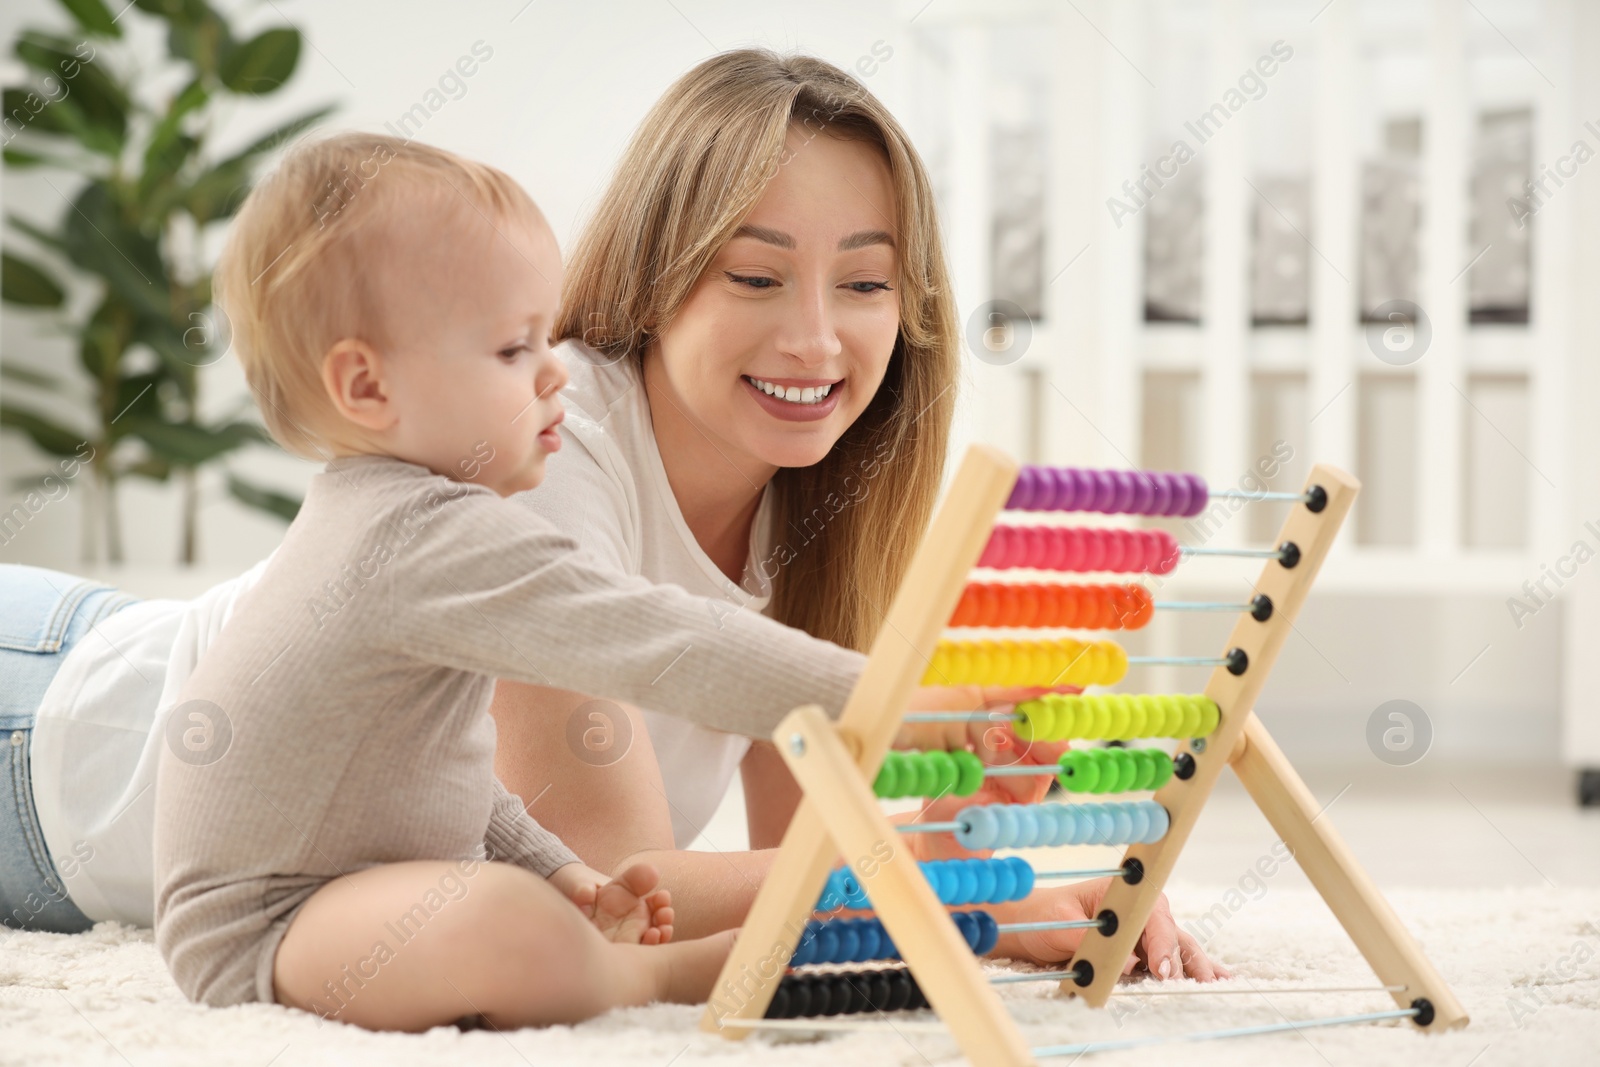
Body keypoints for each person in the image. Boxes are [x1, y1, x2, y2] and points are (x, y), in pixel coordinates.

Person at [490, 49, 1226, 981]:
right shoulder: (545, 456)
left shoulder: (803, 504)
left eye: (865, 284)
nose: (815, 340)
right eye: (756, 277)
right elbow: (614, 903)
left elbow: (811, 857)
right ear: (652, 277)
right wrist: (943, 875)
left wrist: (987, 894)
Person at [152, 131, 911, 1030]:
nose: (559, 370)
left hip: (358, 891)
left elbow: (450, 774)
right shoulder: (418, 537)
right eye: (514, 351)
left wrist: (558, 868)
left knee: (515, 901)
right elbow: (652, 640)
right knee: (502, 922)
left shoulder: (409, 519)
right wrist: (891, 697)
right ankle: (661, 980)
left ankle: (603, 945)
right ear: (366, 385)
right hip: (269, 921)